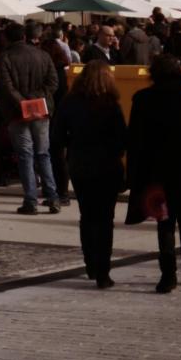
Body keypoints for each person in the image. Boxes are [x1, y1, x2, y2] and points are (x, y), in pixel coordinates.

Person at [124, 54, 181, 293]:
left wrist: (133, 174)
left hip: (158, 171)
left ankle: (167, 275)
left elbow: (135, 140)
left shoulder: (144, 99)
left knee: (165, 222)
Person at [53, 59, 128, 288]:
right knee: (105, 219)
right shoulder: (110, 104)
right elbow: (122, 139)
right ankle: (104, 271)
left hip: (80, 164)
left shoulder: (69, 102)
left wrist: (71, 147)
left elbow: (56, 136)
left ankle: (91, 264)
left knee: (87, 216)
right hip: (106, 165)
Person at [0, 28, 62, 215]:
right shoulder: (43, 55)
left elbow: (6, 85)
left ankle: (31, 200)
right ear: (25, 37)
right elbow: (53, 82)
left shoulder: (6, 57)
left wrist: (23, 101)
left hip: (16, 111)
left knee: (25, 155)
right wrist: (36, 98)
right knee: (43, 153)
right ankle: (53, 197)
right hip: (41, 109)